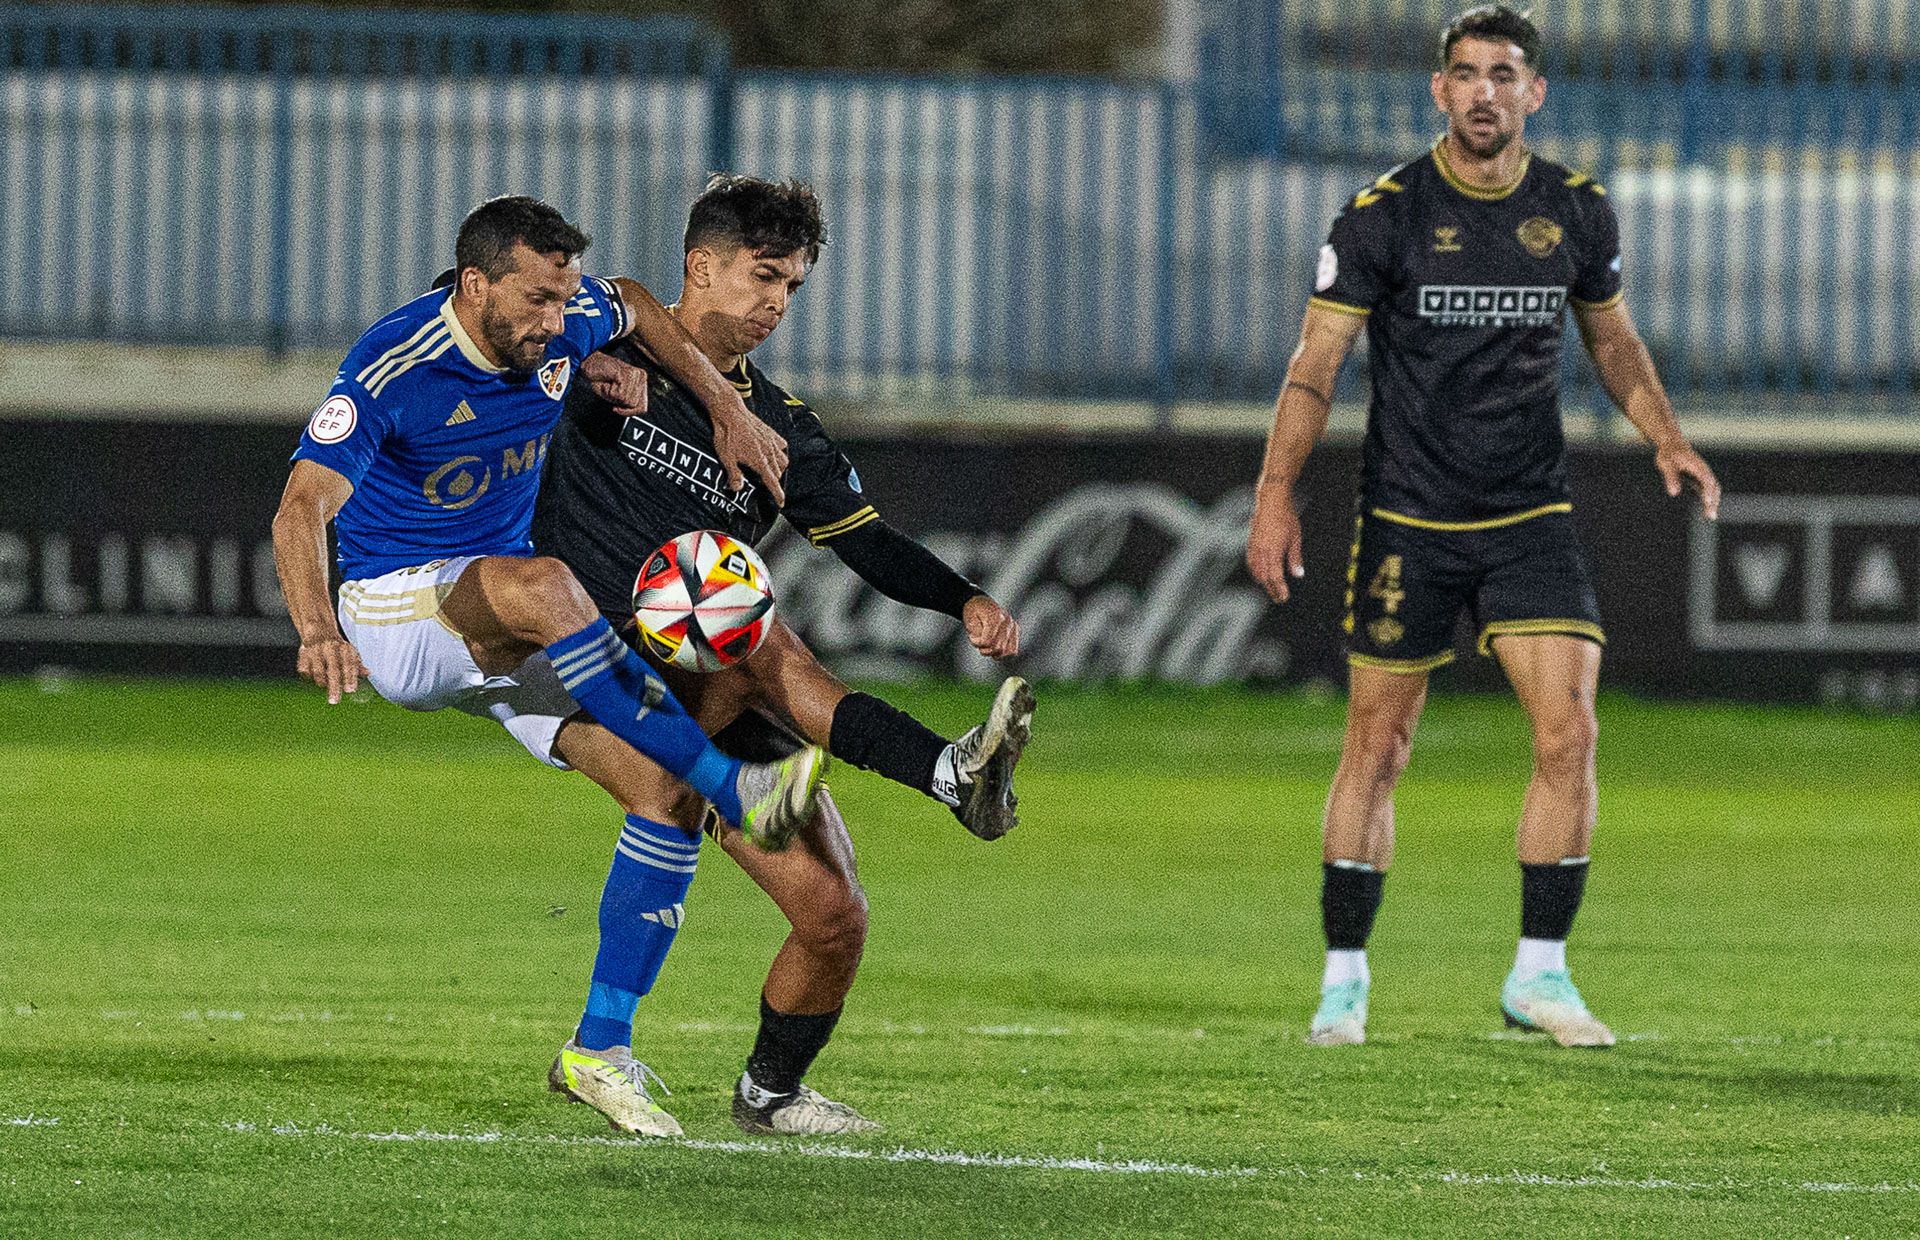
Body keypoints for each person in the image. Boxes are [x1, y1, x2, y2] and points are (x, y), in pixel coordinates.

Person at [272, 195, 830, 1132]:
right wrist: (316, 626)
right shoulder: (392, 368)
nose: (553, 320)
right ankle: (739, 788)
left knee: (661, 794)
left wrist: (725, 404)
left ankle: (598, 1051)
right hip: (401, 609)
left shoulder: (565, 320)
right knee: (548, 581)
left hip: (509, 626)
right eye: (535, 301)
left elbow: (641, 304)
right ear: (476, 284)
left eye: (563, 299)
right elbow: (301, 507)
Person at [1245, 5, 1721, 1050]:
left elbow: (1616, 342)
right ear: (1439, 91)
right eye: (1464, 73)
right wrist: (1275, 494)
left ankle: (1538, 978)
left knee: (1571, 731)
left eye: (1503, 74)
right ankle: (1344, 980)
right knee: (1380, 743)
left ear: (1533, 93)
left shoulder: (1577, 210)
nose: (1483, 92)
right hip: (1409, 517)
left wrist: (1666, 436)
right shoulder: (1381, 215)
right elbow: (1314, 367)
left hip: (1529, 516)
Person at [528, 174, 1033, 1137]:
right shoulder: (604, 342)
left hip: (714, 691)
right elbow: (515, 343)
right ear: (700, 266)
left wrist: (963, 598)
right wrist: (590, 398)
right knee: (744, 615)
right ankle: (947, 771)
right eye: (762, 278)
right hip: (602, 673)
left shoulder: (783, 429)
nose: (775, 305)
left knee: (834, 915)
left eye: (793, 288)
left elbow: (870, 542)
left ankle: (769, 1094)